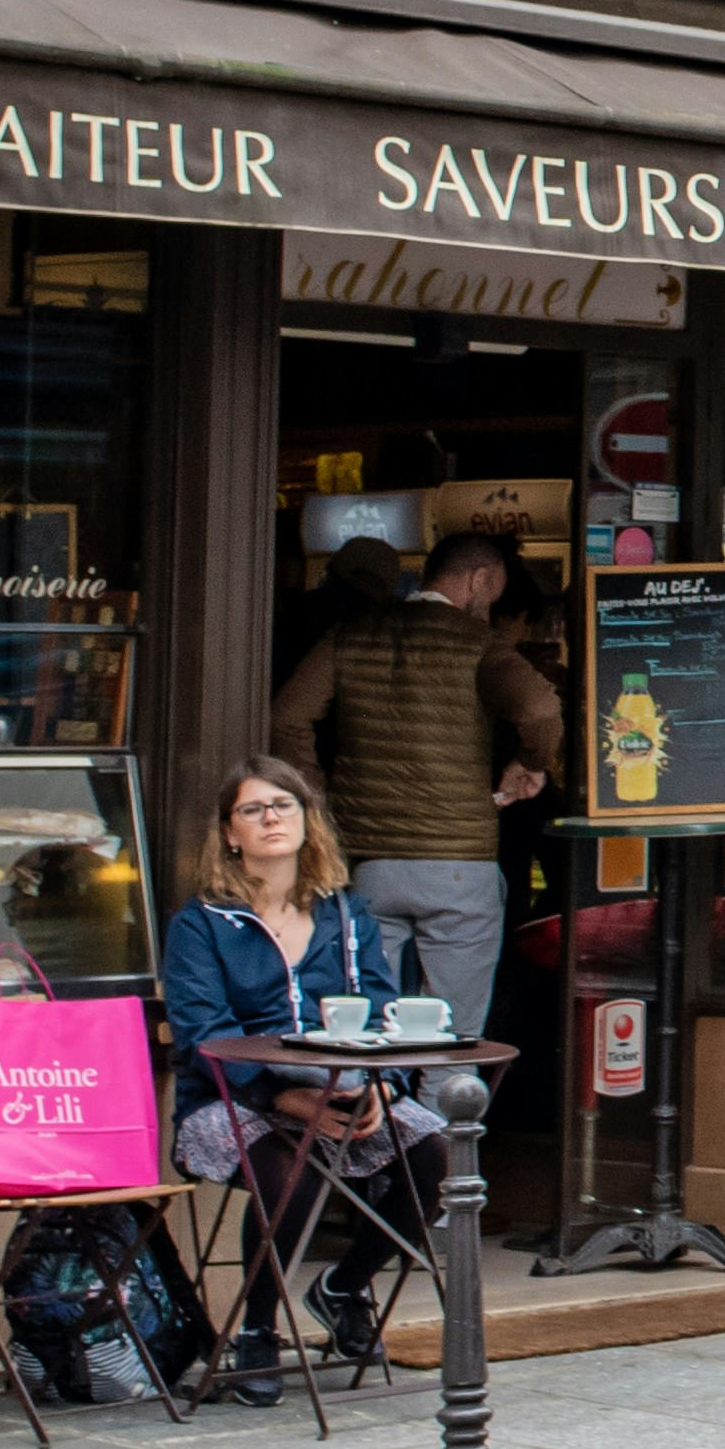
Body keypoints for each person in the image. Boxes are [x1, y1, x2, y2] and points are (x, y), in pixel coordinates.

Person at [158, 758, 451, 1388]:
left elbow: (378, 1009)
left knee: (433, 1150)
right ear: (230, 833)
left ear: (306, 821)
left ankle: (344, 1287)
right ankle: (257, 1329)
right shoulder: (201, 925)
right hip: (230, 1098)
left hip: (342, 1090)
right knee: (294, 1169)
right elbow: (204, 1036)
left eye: (283, 805)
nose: (270, 818)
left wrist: (380, 1085)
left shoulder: (347, 915)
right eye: (253, 809)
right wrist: (281, 1098)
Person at [269, 520, 564, 1060]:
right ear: (478, 579)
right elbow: (540, 707)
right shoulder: (478, 643)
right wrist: (529, 763)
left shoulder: (351, 635)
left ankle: (377, 1135)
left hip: (370, 864)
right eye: (493, 589)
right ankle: (442, 1140)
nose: (493, 602)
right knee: (452, 1039)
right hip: (459, 866)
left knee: (363, 1031)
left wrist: (321, 799)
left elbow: (288, 717)